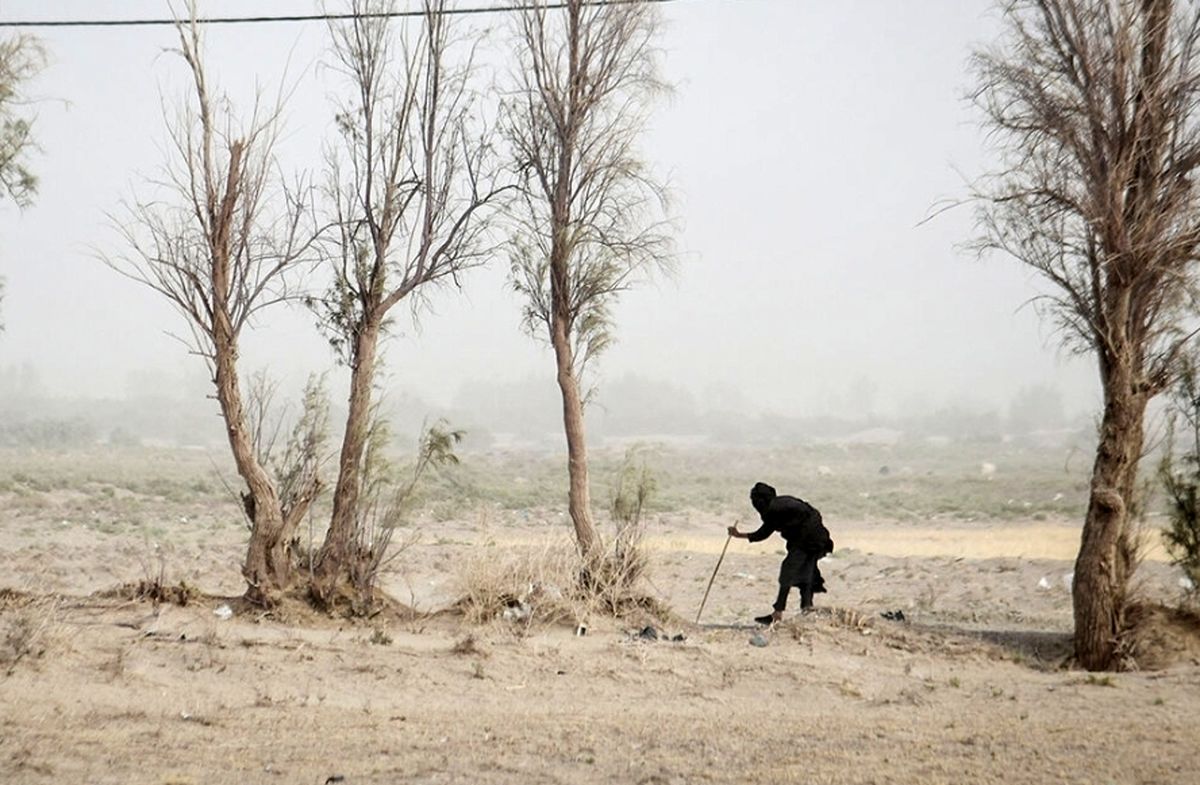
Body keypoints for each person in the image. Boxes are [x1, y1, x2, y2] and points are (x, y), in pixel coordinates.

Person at [728, 481, 833, 625]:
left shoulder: (773, 509)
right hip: (815, 539)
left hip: (808, 541)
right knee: (806, 573)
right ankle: (806, 609)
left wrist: (738, 535)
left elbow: (763, 534)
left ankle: (779, 614)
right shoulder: (780, 504)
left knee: (788, 572)